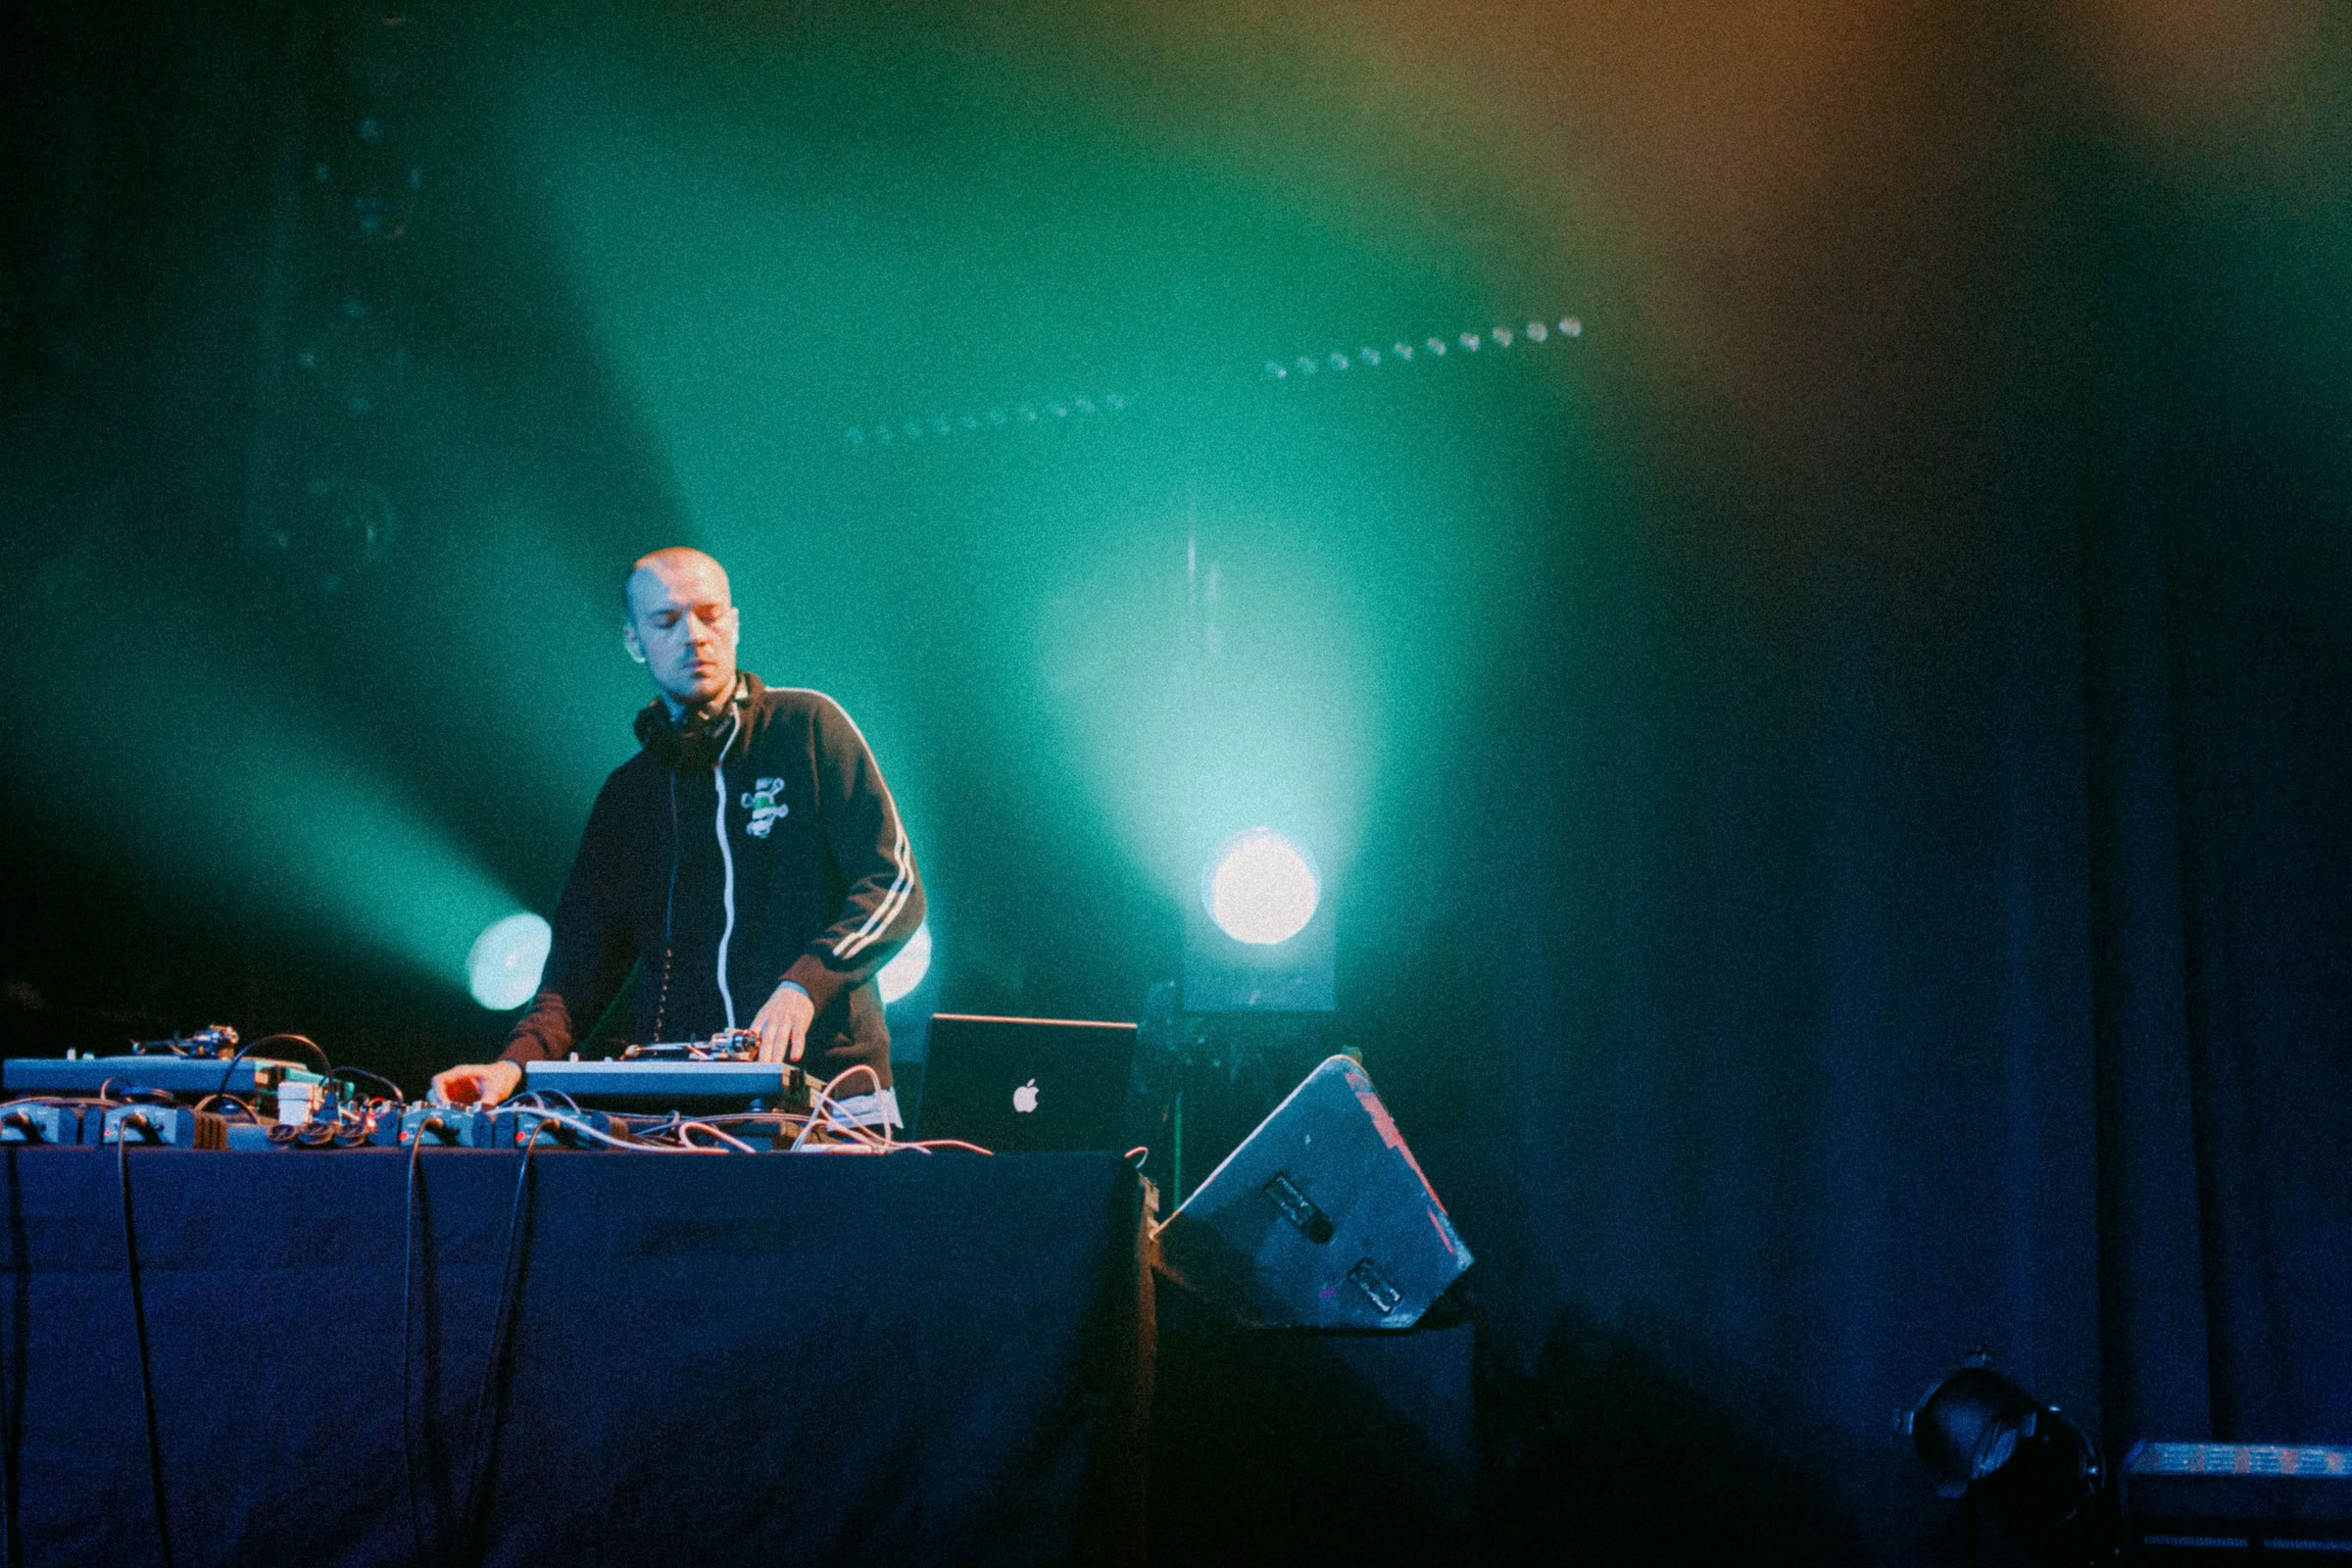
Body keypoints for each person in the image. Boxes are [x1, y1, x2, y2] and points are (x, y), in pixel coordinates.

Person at [429, 547, 923, 1126]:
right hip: (682, 1110)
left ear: (733, 624)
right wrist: (513, 1065)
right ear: (634, 641)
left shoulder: (807, 728)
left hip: (833, 1096)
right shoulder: (628, 794)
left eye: (709, 615)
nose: (694, 636)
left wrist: (804, 986)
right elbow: (577, 972)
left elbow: (895, 885)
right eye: (666, 621)